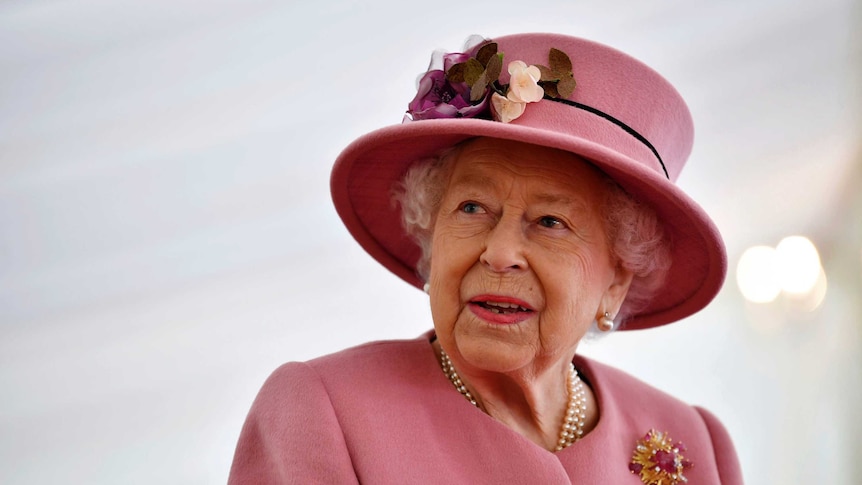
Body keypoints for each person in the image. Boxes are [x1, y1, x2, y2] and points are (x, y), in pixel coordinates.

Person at [228, 33, 743, 485]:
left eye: (549, 222)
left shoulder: (694, 443)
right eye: (472, 208)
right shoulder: (325, 412)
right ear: (432, 239)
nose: (499, 254)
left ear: (616, 281)